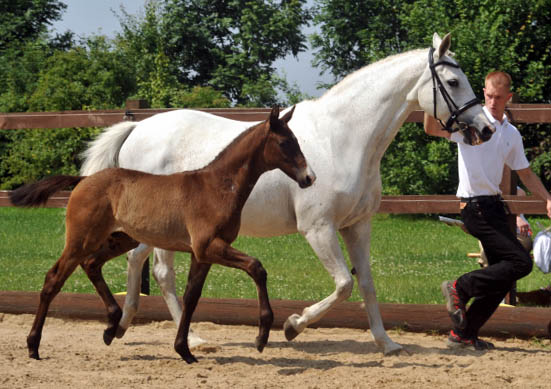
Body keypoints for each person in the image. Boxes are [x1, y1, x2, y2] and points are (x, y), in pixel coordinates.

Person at [424, 70, 551, 350]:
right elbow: (432, 129)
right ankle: (459, 287)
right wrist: (430, 105)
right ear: (484, 93)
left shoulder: (510, 133)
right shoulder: (471, 124)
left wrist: (547, 200)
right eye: (489, 96)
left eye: (498, 97)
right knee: (521, 263)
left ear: (509, 97)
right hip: (473, 206)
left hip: (493, 207)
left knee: (500, 276)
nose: (493, 102)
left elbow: (526, 174)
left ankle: (463, 335)